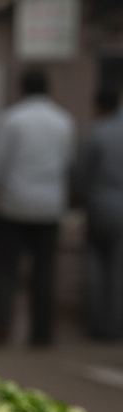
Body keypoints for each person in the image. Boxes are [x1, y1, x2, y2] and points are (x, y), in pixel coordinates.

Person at [0, 68, 75, 347]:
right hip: (50, 205)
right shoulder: (64, 121)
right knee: (44, 272)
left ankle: (2, 326)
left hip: (14, 205)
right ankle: (41, 332)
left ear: (21, 88)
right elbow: (68, 162)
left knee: (5, 269)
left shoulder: (12, 119)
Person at [74, 87, 123, 339]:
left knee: (95, 268)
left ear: (99, 107)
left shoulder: (98, 134)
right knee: (118, 269)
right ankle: (116, 324)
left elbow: (81, 176)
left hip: (100, 206)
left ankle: (97, 325)